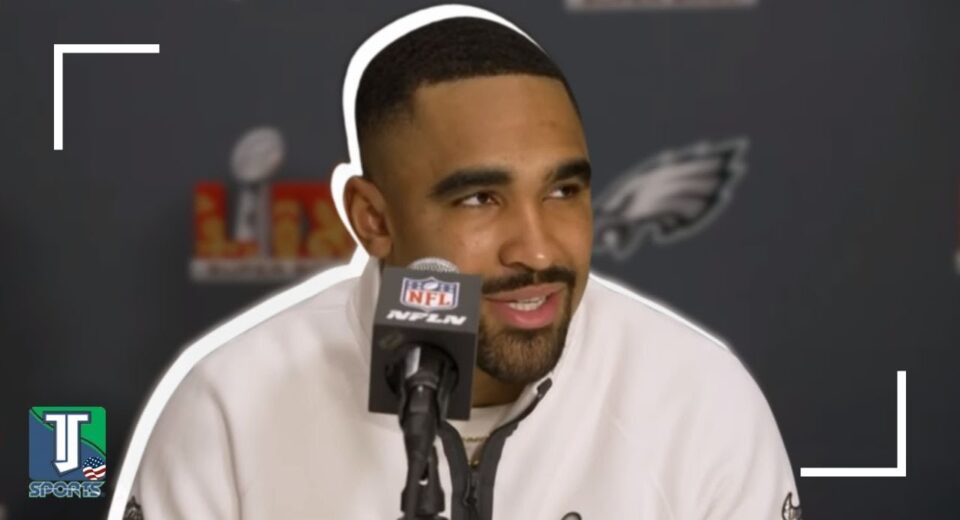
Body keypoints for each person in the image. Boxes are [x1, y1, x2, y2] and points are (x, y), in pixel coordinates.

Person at [118, 8, 801, 520]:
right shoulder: (230, 408)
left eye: (563, 191)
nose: (537, 249)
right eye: (479, 199)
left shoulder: (699, 400)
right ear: (373, 219)